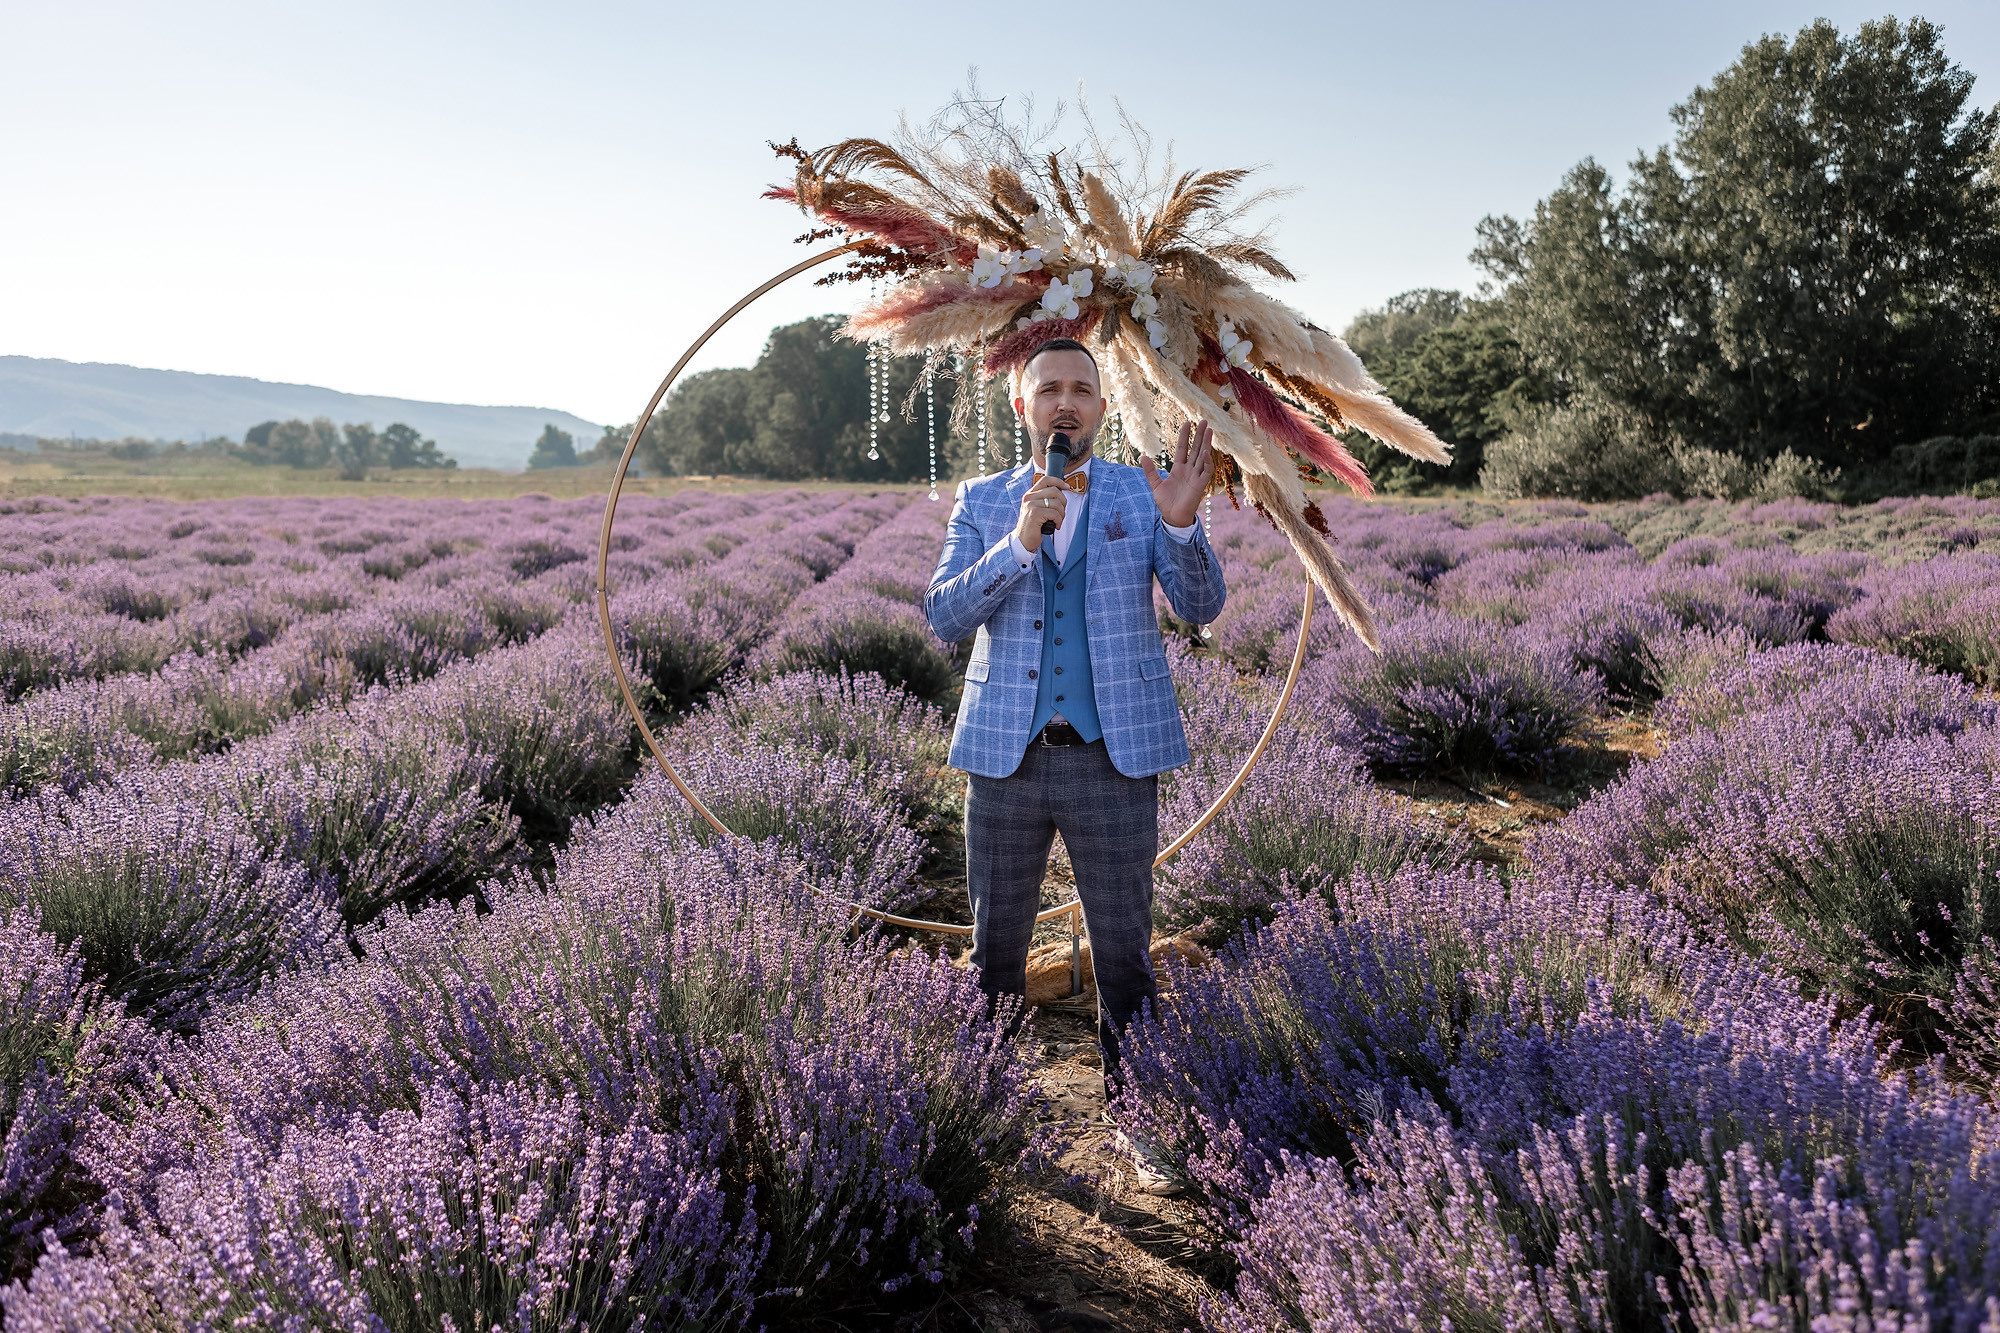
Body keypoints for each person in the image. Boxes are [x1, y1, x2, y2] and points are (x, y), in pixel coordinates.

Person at [922, 336, 1224, 1192]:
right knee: (993, 956)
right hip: (1006, 761)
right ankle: (979, 1122)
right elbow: (944, 614)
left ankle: (1138, 1124)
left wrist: (1179, 521)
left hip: (1112, 757)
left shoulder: (1140, 488)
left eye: (1081, 390)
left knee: (1125, 956)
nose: (1065, 402)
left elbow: (1203, 605)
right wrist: (1020, 541)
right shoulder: (983, 500)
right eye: (1048, 388)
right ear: (1021, 407)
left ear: (1101, 406)